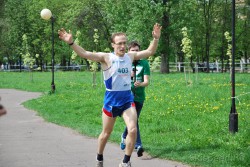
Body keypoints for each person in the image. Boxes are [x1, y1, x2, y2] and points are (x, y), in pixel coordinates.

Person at [58, 23, 161, 167]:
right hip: (111, 100)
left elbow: (149, 52)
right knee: (106, 133)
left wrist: (155, 39)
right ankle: (99, 158)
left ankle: (125, 162)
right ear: (113, 45)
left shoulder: (130, 56)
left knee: (132, 129)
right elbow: (85, 54)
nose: (123, 46)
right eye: (119, 43)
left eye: (124, 43)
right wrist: (71, 42)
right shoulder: (106, 58)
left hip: (127, 98)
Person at [120, 41, 150, 157]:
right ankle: (138, 145)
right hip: (127, 97)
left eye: (137, 50)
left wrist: (140, 84)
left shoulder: (145, 63)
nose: (136, 52)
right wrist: (128, 75)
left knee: (133, 121)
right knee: (134, 120)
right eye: (133, 50)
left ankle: (123, 136)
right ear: (128, 51)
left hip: (139, 96)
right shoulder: (124, 63)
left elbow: (147, 81)